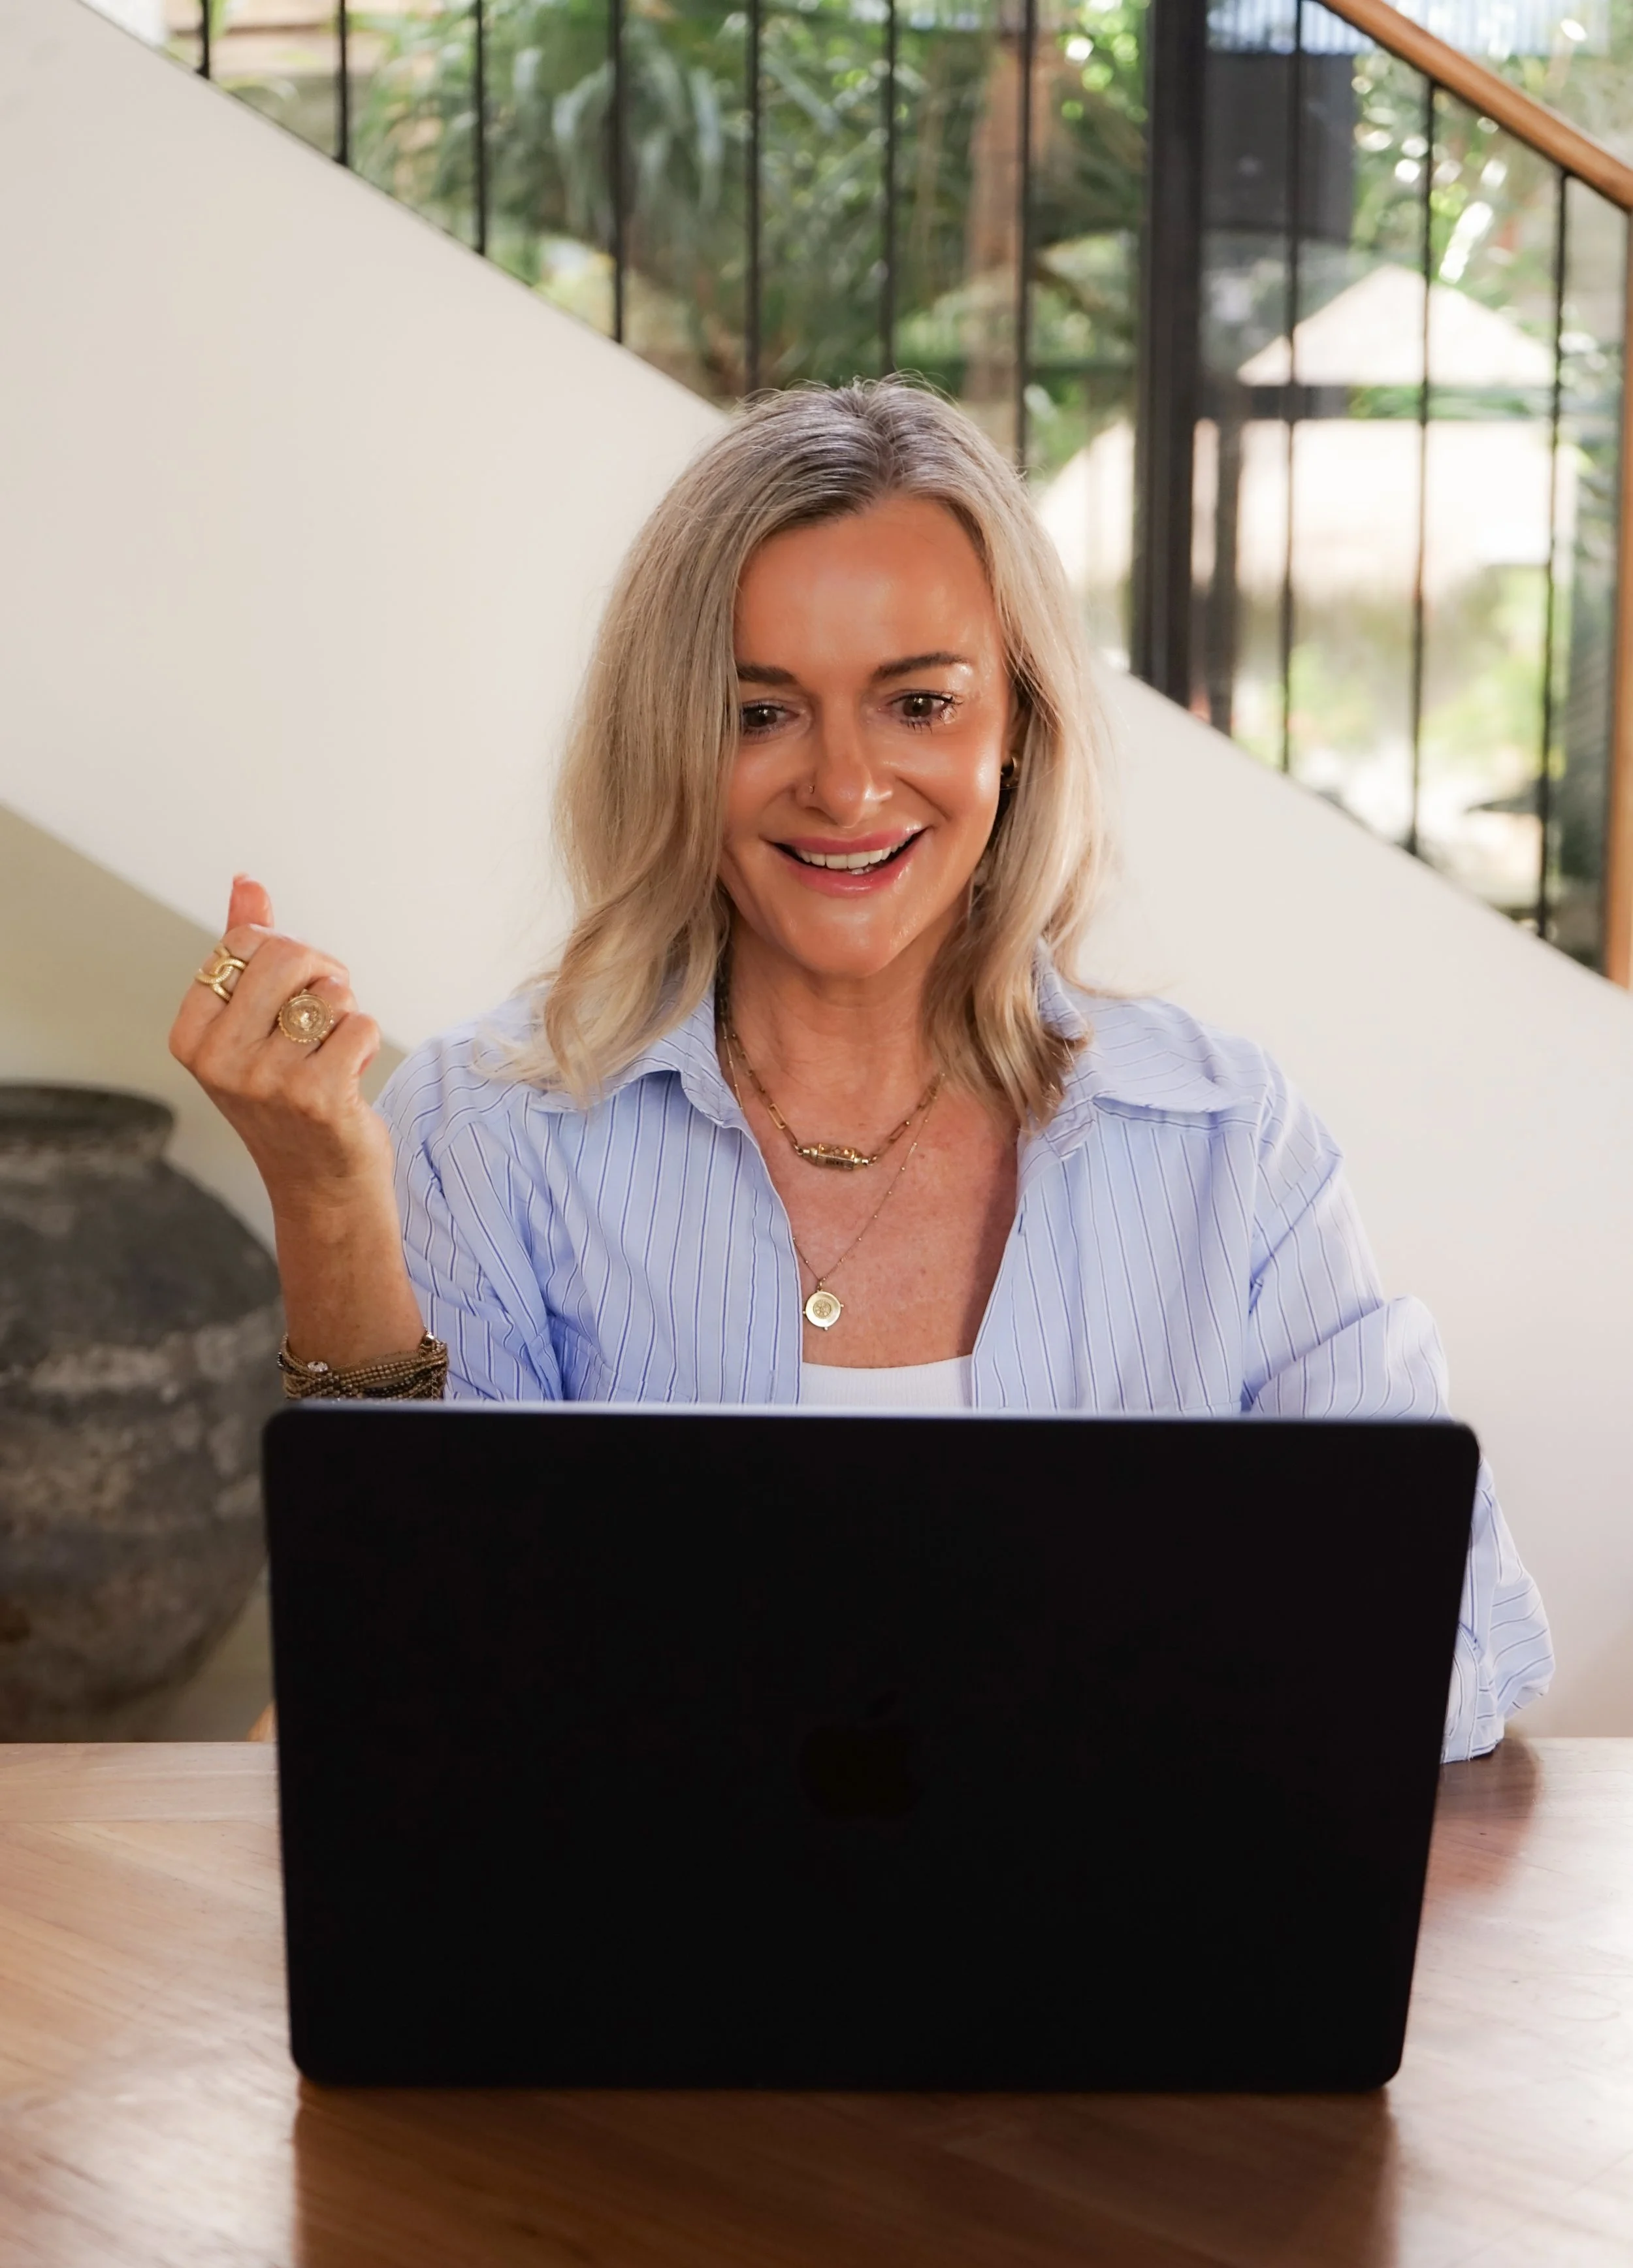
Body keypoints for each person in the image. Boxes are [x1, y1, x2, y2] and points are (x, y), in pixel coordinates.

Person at [170, 378, 1551, 1760]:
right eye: (759, 712)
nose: (843, 786)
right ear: (673, 738)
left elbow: (1459, 1638)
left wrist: (1058, 1719)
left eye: (916, 704)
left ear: (1015, 720)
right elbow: (407, 1660)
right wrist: (326, 1199)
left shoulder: (1225, 1142)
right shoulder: (487, 1126)